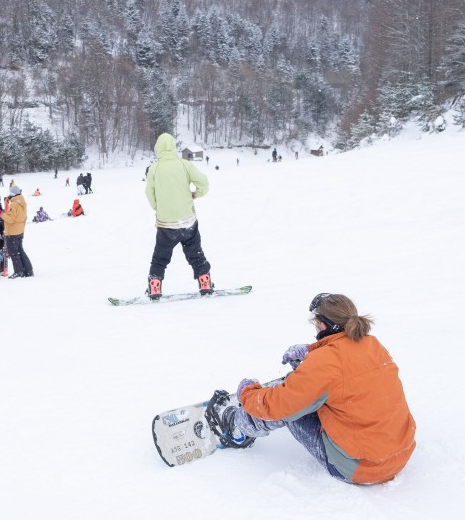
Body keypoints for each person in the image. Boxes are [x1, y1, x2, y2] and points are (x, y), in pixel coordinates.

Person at [205, 293, 416, 485]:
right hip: (399, 455)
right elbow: (342, 370)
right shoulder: (373, 345)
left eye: (315, 323)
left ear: (323, 325)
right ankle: (293, 389)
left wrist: (248, 393)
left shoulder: (326, 363)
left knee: (293, 405)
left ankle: (238, 428)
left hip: (361, 467)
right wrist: (310, 353)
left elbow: (281, 406)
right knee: (308, 392)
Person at [144, 132, 212, 300]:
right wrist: (196, 194)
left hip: (166, 224)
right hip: (188, 221)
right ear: (174, 147)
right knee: (196, 254)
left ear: (158, 149)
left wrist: (157, 207)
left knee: (160, 258)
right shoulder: (184, 164)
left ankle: (155, 287)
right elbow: (203, 183)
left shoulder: (154, 168)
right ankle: (204, 282)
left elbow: (149, 193)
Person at [1, 185, 33, 278]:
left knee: (14, 253)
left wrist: (0, 213)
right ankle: (28, 270)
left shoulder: (14, 204)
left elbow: (10, 219)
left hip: (12, 232)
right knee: (20, 251)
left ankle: (19, 272)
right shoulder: (22, 202)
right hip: (20, 231)